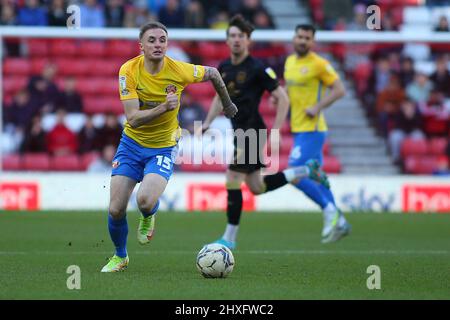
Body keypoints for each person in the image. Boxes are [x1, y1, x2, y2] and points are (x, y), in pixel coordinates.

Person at [101, 21, 238, 272]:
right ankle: (120, 256)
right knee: (116, 208)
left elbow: (214, 74)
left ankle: (148, 214)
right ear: (140, 45)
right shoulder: (128, 71)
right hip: (131, 144)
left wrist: (227, 105)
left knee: (144, 201)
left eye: (162, 40)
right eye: (152, 40)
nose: (158, 44)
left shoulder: (179, 70)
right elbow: (132, 118)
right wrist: (164, 107)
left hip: (163, 146)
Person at [198, 15, 330, 250]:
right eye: (233, 36)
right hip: (239, 130)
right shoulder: (224, 68)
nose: (237, 40)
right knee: (256, 187)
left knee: (232, 179)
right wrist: (208, 122)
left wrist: (277, 131)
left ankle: (229, 238)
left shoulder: (257, 68)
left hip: (252, 130)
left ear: (248, 40)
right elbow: (220, 98)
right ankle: (305, 170)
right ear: (227, 41)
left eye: (241, 36)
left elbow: (283, 98)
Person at [283, 24, 351, 243]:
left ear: (312, 41)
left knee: (295, 174)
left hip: (313, 129)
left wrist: (317, 107)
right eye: (299, 36)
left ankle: (329, 209)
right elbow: (289, 90)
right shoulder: (289, 62)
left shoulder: (320, 64)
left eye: (307, 38)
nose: (302, 40)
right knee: (316, 177)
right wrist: (280, 96)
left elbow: (340, 89)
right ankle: (340, 221)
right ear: (294, 38)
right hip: (298, 128)